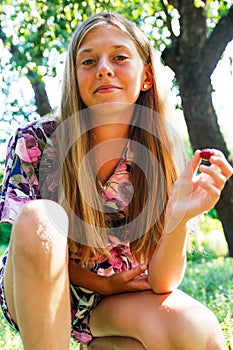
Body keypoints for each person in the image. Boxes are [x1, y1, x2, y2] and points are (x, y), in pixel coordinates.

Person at [0, 12, 232, 350]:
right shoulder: (37, 142)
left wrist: (179, 218)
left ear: (147, 77)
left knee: (198, 329)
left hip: (112, 300)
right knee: (39, 218)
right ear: (75, 77)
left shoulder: (160, 152)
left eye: (120, 57)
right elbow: (29, 247)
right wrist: (100, 283)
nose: (104, 69)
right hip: (38, 288)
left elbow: (162, 280)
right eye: (88, 61)